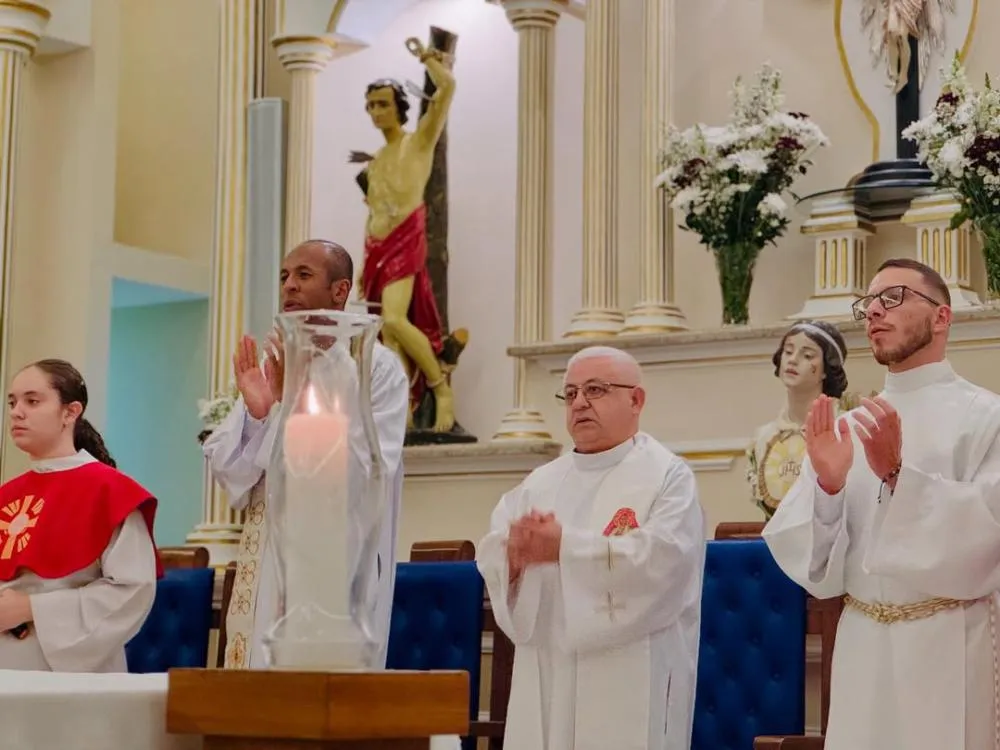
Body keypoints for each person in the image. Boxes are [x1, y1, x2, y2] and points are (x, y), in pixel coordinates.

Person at [763, 257, 1000, 750]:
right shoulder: (845, 428)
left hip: (948, 647)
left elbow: (988, 536)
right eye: (868, 302)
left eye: (893, 297)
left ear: (941, 316)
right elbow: (817, 567)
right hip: (862, 644)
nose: (873, 311)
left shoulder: (986, 417)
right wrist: (828, 488)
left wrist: (897, 473)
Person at [476, 345, 706, 750]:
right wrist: (512, 560)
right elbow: (496, 551)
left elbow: (664, 562)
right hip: (548, 664)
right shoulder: (539, 483)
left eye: (596, 390)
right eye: (571, 393)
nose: (580, 402)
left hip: (631, 668)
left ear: (636, 400)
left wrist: (564, 548)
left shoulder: (667, 477)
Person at [203, 239, 409, 669]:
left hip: (336, 560)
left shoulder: (375, 368)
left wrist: (281, 411)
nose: (289, 287)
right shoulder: (276, 364)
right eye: (283, 277)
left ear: (340, 291)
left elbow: (368, 467)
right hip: (268, 561)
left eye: (303, 275)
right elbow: (230, 471)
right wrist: (260, 415)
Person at [0, 358, 160, 671]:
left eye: (32, 401)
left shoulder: (111, 492)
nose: (16, 412)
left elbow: (132, 592)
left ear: (70, 412)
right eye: (12, 402)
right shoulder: (7, 494)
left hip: (68, 670)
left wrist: (32, 608)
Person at [355, 38, 456, 433]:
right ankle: (405, 411)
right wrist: (364, 263)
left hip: (404, 238)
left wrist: (428, 59)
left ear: (399, 105)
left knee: (395, 320)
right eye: (371, 106)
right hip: (376, 246)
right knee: (386, 334)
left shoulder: (418, 142)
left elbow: (446, 90)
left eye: (382, 103)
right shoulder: (377, 161)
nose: (376, 112)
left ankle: (440, 388)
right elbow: (374, 210)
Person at [747, 320, 850, 518]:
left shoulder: (844, 430)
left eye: (807, 355)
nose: (793, 360)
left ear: (827, 369)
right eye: (788, 351)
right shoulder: (763, 437)